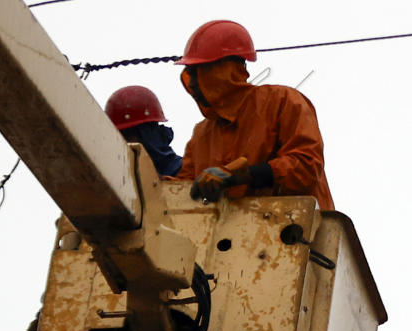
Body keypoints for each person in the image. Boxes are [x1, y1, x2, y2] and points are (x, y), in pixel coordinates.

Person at [173, 19, 334, 211]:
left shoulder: (283, 101)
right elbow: (180, 191)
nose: (191, 83)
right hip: (238, 235)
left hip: (298, 230)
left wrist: (246, 175)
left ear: (225, 71)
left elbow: (306, 165)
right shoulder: (202, 135)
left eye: (196, 71)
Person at [103, 85, 182, 178]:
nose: (125, 143)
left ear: (147, 133)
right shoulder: (115, 178)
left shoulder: (187, 172)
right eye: (119, 137)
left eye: (128, 136)